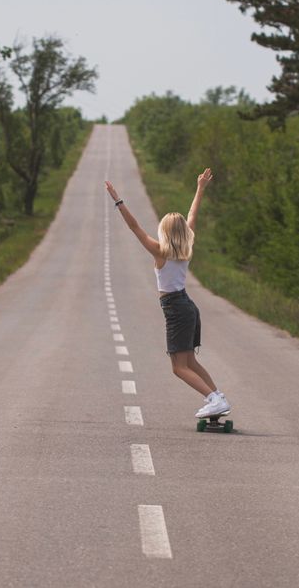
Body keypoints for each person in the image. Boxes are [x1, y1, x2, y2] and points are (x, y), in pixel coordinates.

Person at [105, 169, 231, 419]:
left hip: (176, 308)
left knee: (178, 367)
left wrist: (118, 201)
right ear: (183, 232)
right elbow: (192, 215)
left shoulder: (159, 251)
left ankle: (213, 398)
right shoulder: (187, 246)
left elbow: (135, 227)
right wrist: (200, 188)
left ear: (165, 231)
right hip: (187, 306)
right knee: (190, 363)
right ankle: (217, 396)